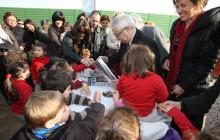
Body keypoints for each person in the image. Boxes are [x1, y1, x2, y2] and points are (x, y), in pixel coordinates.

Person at [162, 0, 220, 100]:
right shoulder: (177, 25)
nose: (179, 10)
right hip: (173, 86)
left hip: (194, 91)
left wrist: (184, 86)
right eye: (177, 6)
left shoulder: (210, 28)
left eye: (183, 5)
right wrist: (167, 59)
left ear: (199, 4)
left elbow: (207, 64)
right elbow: (174, 50)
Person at [11, 90, 105, 140]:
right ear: (50, 123)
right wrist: (97, 105)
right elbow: (89, 128)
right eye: (64, 110)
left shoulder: (34, 123)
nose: (68, 108)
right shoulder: (70, 134)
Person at [116, 44, 168, 122]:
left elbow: (119, 93)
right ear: (149, 61)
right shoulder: (157, 79)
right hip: (148, 116)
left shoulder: (124, 76)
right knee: (168, 116)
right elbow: (163, 98)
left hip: (128, 114)